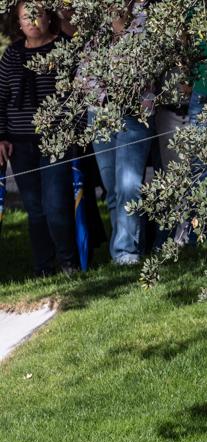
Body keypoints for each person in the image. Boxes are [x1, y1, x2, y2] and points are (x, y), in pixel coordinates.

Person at [0, 3, 79, 276]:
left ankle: (69, 262)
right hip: (20, 144)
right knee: (35, 209)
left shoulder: (65, 48)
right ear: (18, 23)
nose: (32, 21)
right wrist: (1, 137)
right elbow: (1, 99)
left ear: (48, 17)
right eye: (25, 17)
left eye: (36, 14)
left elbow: (79, 95)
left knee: (56, 204)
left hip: (56, 141)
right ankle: (44, 268)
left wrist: (74, 131)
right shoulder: (11, 55)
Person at [87, 5, 153, 265]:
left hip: (133, 113)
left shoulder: (145, 23)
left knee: (129, 185)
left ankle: (126, 251)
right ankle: (124, 250)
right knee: (112, 188)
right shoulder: (96, 25)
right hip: (99, 113)